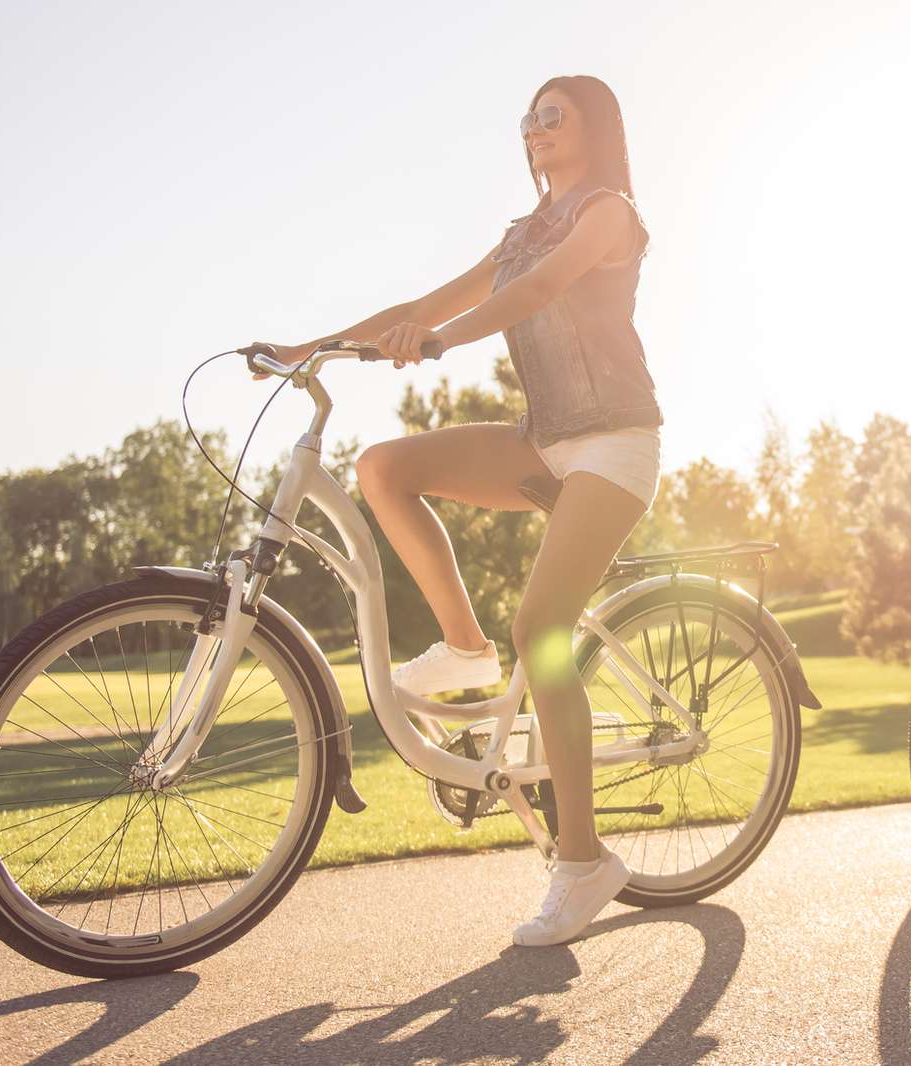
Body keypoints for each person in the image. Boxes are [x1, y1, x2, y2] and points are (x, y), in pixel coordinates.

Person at [251, 75, 661, 946]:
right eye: (530, 118)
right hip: (544, 437)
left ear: (596, 126)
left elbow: (542, 291)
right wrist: (312, 346)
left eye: (555, 114)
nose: (537, 127)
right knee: (386, 466)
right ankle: (462, 649)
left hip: (616, 445)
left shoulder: (610, 214)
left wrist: (444, 341)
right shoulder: (520, 233)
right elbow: (421, 306)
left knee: (542, 627)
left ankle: (584, 865)